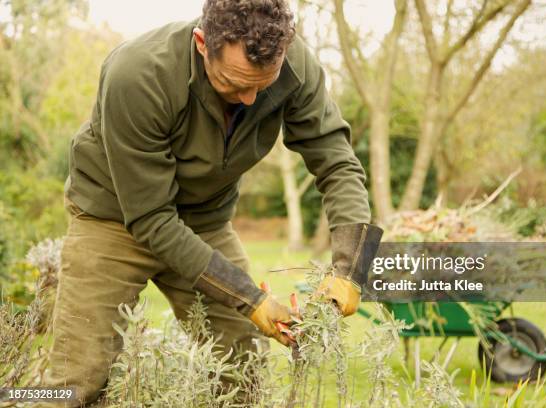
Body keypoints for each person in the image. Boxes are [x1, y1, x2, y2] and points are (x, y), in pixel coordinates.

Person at [40, 0, 382, 405]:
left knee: (244, 372)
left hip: (205, 222)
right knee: (71, 380)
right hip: (113, 220)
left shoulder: (295, 65)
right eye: (235, 83)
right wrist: (249, 298)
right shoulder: (137, 74)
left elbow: (337, 161)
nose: (252, 99)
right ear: (203, 43)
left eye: (263, 83)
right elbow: (152, 221)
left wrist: (351, 265)